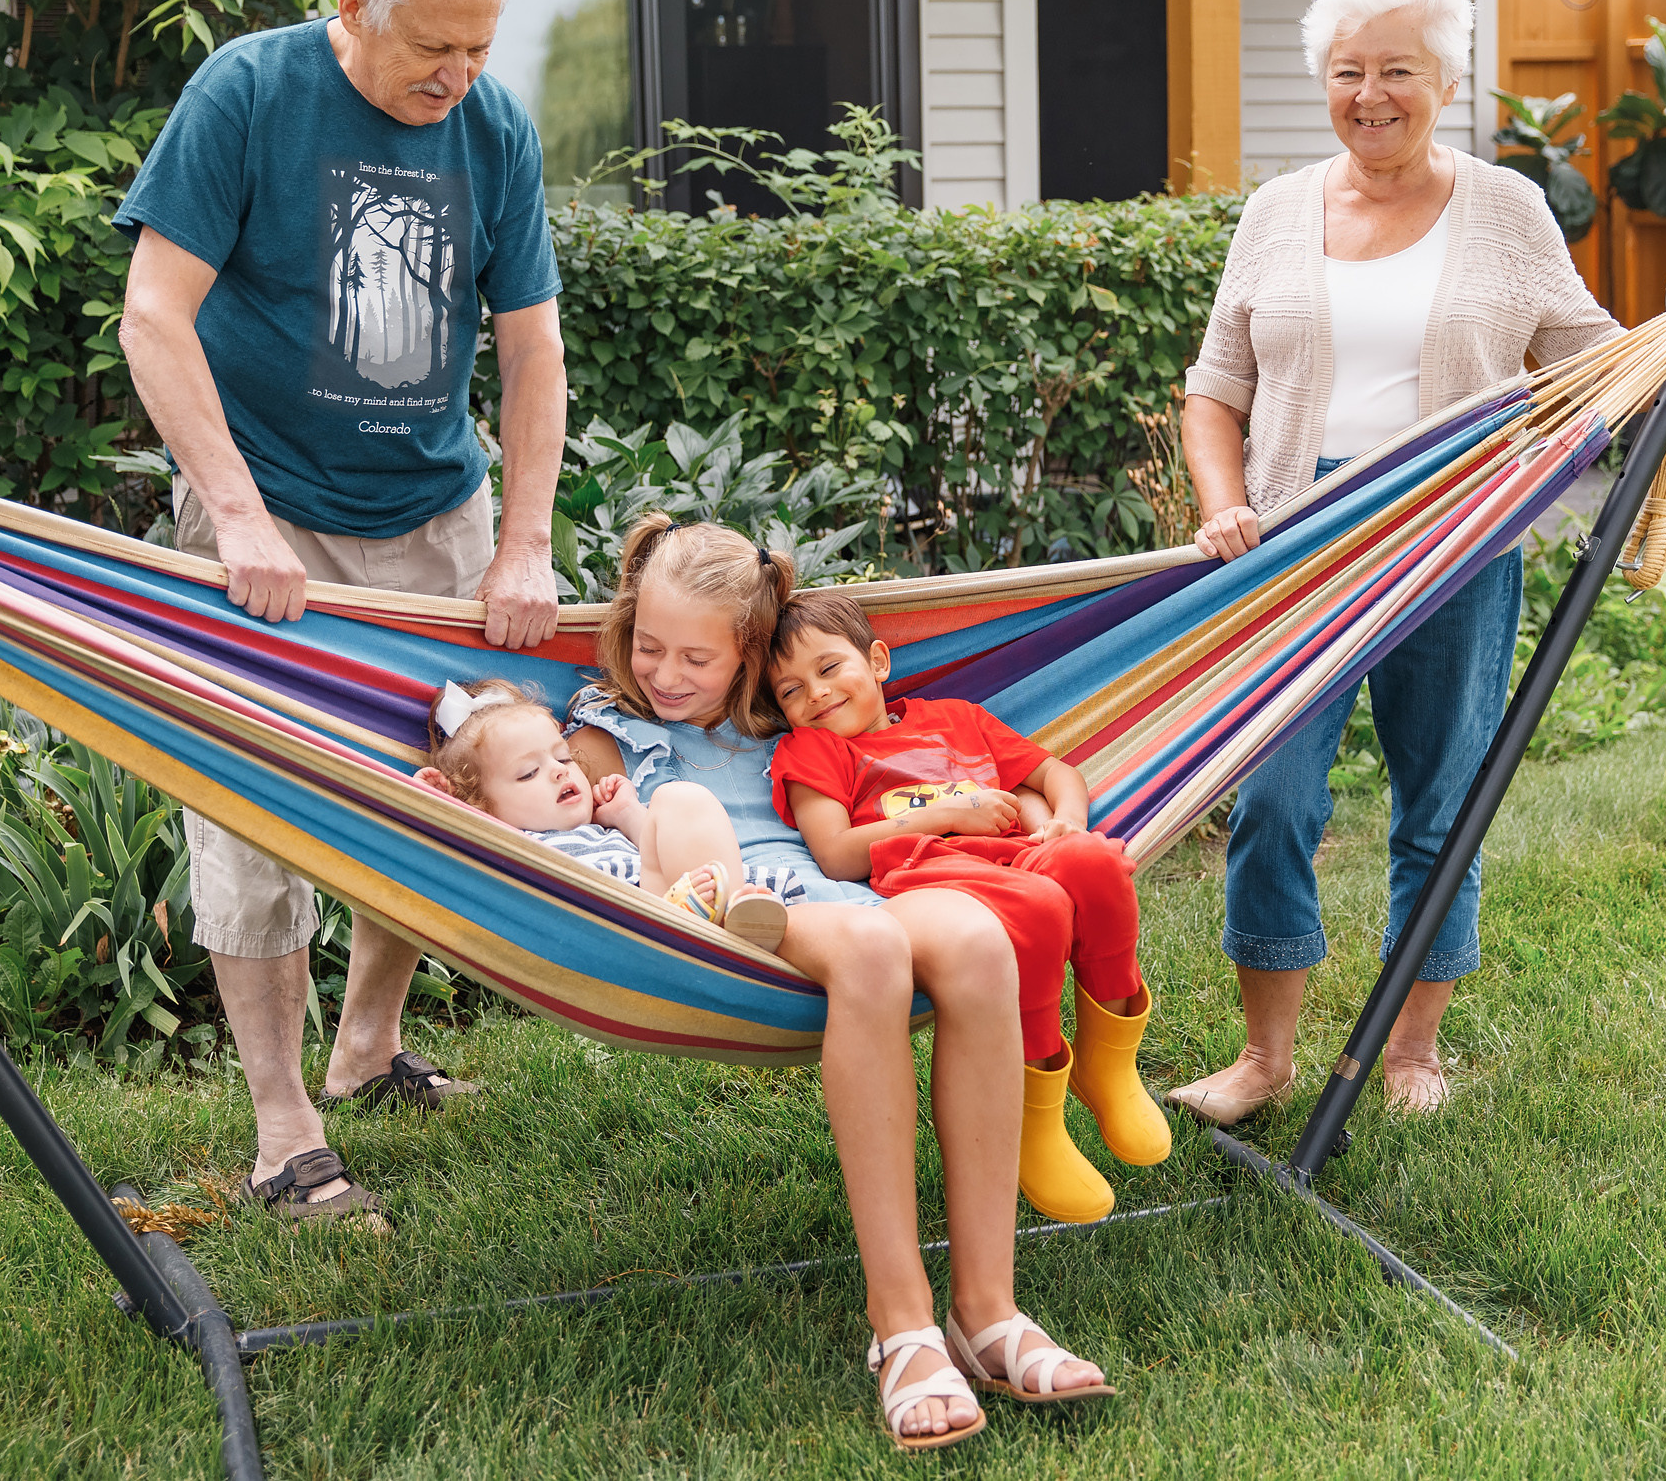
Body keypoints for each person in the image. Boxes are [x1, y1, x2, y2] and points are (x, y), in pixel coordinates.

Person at [1166, 0, 1666, 1124]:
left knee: (1441, 795)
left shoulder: (1506, 210)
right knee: (1271, 798)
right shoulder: (1273, 214)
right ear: (1322, 81)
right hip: (1293, 538)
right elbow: (1215, 393)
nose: (1372, 94)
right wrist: (1222, 505)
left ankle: (1410, 1049)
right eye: (1348, 71)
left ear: (1445, 82)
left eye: (1397, 70)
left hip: (1454, 530)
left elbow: (1605, 362)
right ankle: (1264, 1059)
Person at [114, 0, 568, 1223]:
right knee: (255, 814)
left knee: (433, 796)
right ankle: (281, 1122)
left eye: (481, 45)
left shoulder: (492, 126)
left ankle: (366, 1045)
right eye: (435, 43)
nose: (460, 73)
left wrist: (525, 539)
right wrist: (238, 512)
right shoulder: (247, 95)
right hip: (272, 521)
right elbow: (154, 313)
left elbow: (531, 344)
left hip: (435, 513)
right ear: (353, 5)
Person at [566, 515, 1113, 1450]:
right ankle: (901, 1324)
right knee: (870, 952)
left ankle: (984, 1310)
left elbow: (917, 746)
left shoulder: (791, 710)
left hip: (843, 882)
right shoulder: (605, 729)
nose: (663, 673)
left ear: (748, 654)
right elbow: (559, 820)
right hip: (727, 909)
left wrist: (1016, 806)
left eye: (696, 656)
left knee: (980, 940)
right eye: (647, 645)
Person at [765, 590, 1170, 1226]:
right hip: (933, 872)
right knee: (1038, 905)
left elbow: (1055, 774)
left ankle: (1106, 1064)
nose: (813, 695)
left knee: (1095, 863)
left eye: (827, 668)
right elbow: (838, 854)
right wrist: (947, 812)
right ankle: (1035, 1110)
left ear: (877, 661)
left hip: (1014, 851)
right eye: (789, 691)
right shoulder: (814, 752)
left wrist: (1065, 824)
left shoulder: (957, 717)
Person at [411, 678, 792, 952]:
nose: (560, 770)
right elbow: (451, 835)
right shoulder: (510, 842)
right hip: (631, 932)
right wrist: (443, 804)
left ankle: (734, 911)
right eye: (529, 773)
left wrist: (627, 814)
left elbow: (661, 855)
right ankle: (718, 925)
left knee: (680, 798)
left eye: (562, 757)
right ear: (478, 805)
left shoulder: (604, 829)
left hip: (671, 902)